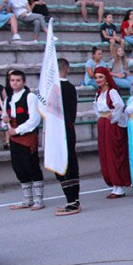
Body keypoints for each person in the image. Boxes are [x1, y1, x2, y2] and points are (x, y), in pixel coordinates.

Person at [2, 69, 44, 209]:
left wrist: (17, 130)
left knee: (31, 165)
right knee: (18, 166)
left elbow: (34, 120)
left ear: (23, 82)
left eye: (18, 80)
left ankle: (39, 199)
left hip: (27, 136)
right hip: (14, 138)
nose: (15, 82)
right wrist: (5, 121)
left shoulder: (30, 97)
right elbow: (5, 120)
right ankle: (28, 199)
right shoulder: (8, 98)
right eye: (12, 80)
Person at [92, 66, 131, 198]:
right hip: (103, 124)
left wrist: (113, 116)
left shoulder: (112, 92)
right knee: (105, 153)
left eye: (101, 77)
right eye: (96, 77)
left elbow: (119, 105)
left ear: (106, 78)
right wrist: (100, 117)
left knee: (113, 153)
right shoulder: (98, 93)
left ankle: (119, 185)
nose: (98, 80)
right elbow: (95, 107)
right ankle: (114, 185)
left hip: (111, 125)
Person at [53, 58, 81, 215]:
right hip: (69, 128)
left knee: (63, 164)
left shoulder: (54, 88)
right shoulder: (71, 87)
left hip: (60, 130)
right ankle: (73, 199)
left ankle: (72, 201)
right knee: (70, 162)